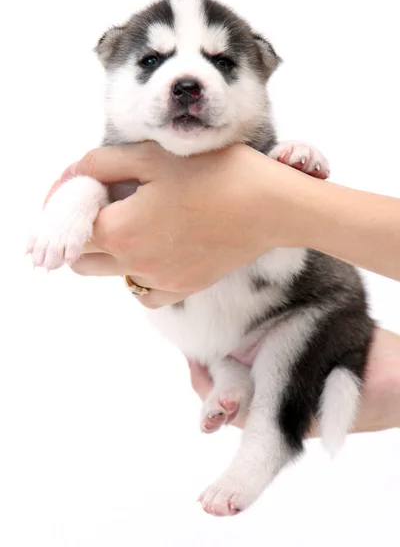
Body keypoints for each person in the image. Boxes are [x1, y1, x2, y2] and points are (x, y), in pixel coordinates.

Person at [45, 140, 400, 434]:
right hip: (224, 340)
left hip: (268, 317)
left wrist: (288, 202)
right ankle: (229, 372)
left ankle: (229, 371)